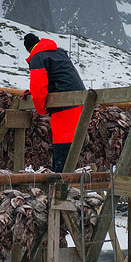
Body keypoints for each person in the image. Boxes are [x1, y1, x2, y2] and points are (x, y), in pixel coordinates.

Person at [23, 33, 86, 172]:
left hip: (63, 104)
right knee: (71, 143)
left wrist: (41, 110)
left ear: (28, 49)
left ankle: (61, 182)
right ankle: (68, 179)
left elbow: (39, 87)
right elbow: (59, 76)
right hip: (79, 99)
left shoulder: (37, 57)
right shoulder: (58, 52)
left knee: (62, 143)